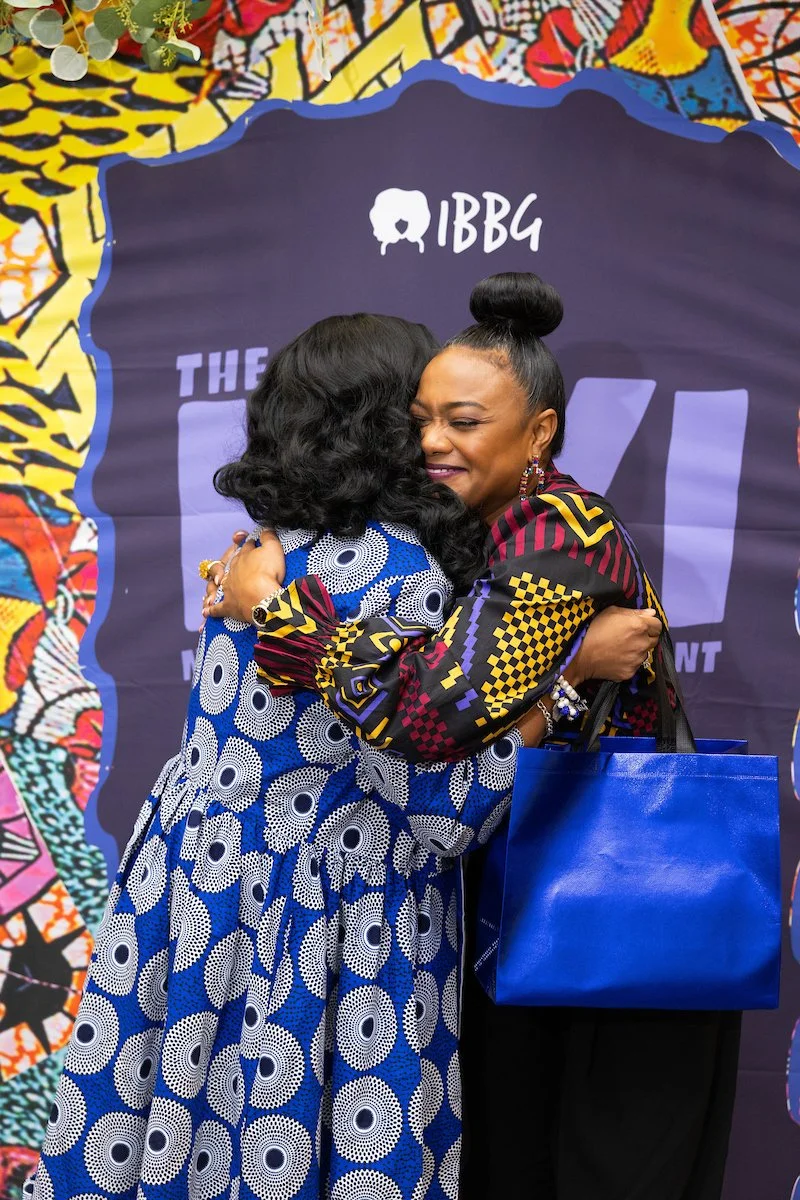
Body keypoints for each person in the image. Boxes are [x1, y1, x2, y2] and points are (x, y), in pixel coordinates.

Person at [30, 311, 656, 1200]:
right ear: (388, 428)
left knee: (167, 1142)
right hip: (331, 921)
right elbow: (444, 811)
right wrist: (562, 682)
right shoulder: (400, 574)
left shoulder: (264, 550)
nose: (435, 434)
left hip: (191, 896)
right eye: (420, 413)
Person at [206, 272, 740, 1200]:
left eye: (463, 421)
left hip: (618, 910)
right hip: (521, 902)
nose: (430, 442)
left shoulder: (556, 537)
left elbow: (423, 714)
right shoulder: (468, 532)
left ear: (540, 433)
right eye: (419, 418)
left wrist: (280, 610)